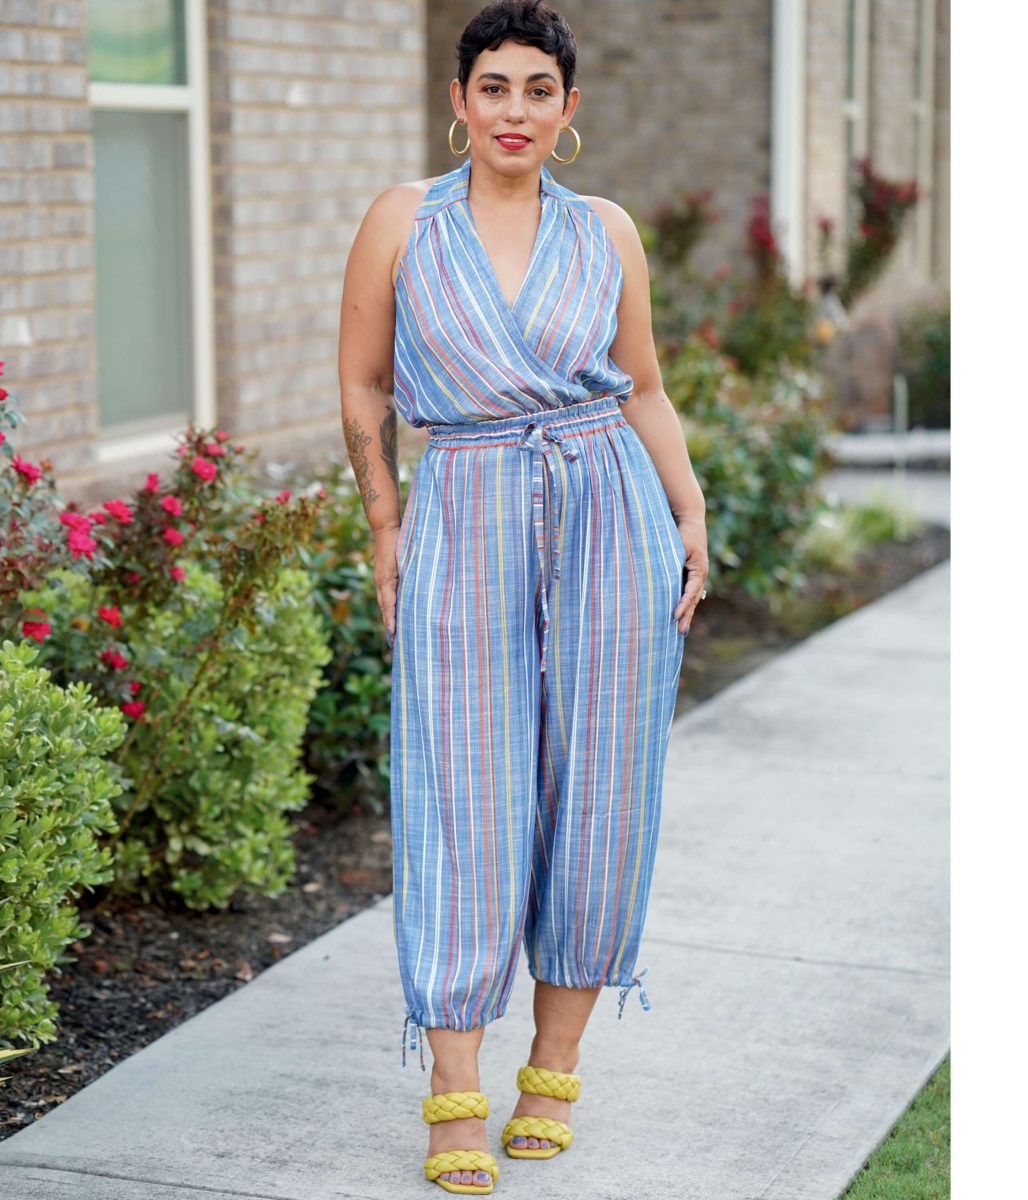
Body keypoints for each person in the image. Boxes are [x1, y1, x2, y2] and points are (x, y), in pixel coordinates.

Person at [338, 1, 709, 1192]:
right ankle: (454, 1090)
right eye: (493, 87)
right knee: (463, 791)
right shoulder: (404, 220)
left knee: (600, 793)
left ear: (568, 108)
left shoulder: (607, 232)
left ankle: (553, 1071)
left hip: (610, 508)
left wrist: (689, 510)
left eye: (537, 89)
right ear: (459, 101)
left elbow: (643, 387)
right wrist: (385, 528)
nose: (514, 110)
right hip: (465, 506)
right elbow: (363, 388)